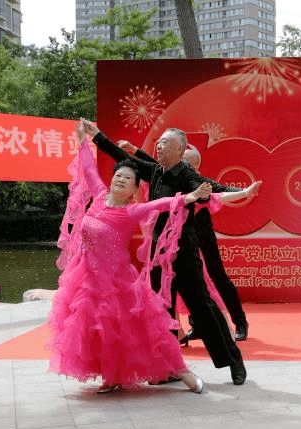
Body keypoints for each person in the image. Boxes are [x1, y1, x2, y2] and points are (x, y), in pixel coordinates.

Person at [81, 119, 258, 385]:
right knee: (160, 314)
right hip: (156, 254)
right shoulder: (154, 171)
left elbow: (214, 192)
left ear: (180, 149)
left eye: (165, 143)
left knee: (203, 309)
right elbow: (123, 157)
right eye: (159, 142)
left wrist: (243, 192)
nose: (159, 146)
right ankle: (169, 369)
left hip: (182, 253)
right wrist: (97, 136)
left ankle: (233, 361)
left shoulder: (187, 175)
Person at [48, 122, 204, 394]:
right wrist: (83, 141)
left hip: (118, 282)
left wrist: (190, 196)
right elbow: (88, 169)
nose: (120, 179)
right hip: (86, 278)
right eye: (118, 176)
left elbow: (162, 204)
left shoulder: (132, 211)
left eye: (127, 179)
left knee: (144, 331)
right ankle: (113, 377)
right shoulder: (98, 196)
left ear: (133, 190)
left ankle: (184, 373)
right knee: (98, 332)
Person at [118, 141, 250, 343]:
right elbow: (151, 163)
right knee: (175, 281)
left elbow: (222, 191)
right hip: (178, 238)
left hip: (201, 233)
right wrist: (133, 149)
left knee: (215, 275)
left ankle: (239, 322)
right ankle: (186, 329)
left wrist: (246, 191)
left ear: (194, 166)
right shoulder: (167, 174)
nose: (180, 165)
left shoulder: (198, 181)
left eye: (185, 163)